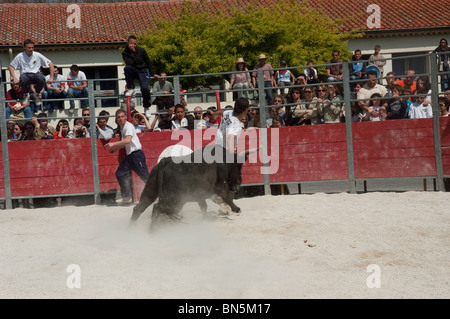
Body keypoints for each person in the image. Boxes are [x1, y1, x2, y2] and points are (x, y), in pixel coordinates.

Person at [104, 109, 150, 205]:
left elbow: (128, 140)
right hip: (130, 155)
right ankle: (127, 197)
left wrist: (113, 144)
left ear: (125, 117)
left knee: (146, 177)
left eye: (122, 117)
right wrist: (116, 148)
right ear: (116, 119)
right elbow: (125, 143)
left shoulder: (128, 126)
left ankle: (161, 194)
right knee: (120, 173)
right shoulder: (123, 127)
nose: (120, 119)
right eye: (118, 117)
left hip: (136, 155)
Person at [8, 39, 54, 107]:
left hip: (36, 73)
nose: (31, 49)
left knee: (41, 78)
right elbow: (11, 66)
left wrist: (51, 78)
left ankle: (37, 94)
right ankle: (26, 94)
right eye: (29, 48)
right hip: (25, 74)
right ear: (24, 47)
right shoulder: (20, 56)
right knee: (23, 79)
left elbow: (51, 64)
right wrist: (14, 78)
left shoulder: (37, 55)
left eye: (32, 47)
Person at [122, 35, 159, 117]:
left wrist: (153, 73)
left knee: (145, 88)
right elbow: (130, 63)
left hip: (143, 71)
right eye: (131, 43)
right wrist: (131, 52)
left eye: (135, 44)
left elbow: (147, 61)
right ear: (128, 43)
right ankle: (131, 88)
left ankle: (146, 106)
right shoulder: (125, 53)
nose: (133, 45)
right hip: (133, 70)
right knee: (126, 68)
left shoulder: (141, 50)